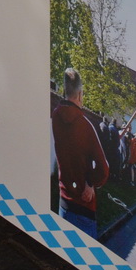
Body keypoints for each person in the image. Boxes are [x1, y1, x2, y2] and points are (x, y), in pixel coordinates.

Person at [50, 68, 109, 237]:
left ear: (64, 90)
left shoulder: (55, 116)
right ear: (81, 94)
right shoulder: (86, 126)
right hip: (84, 207)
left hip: (64, 202)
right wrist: (91, 183)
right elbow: (104, 169)